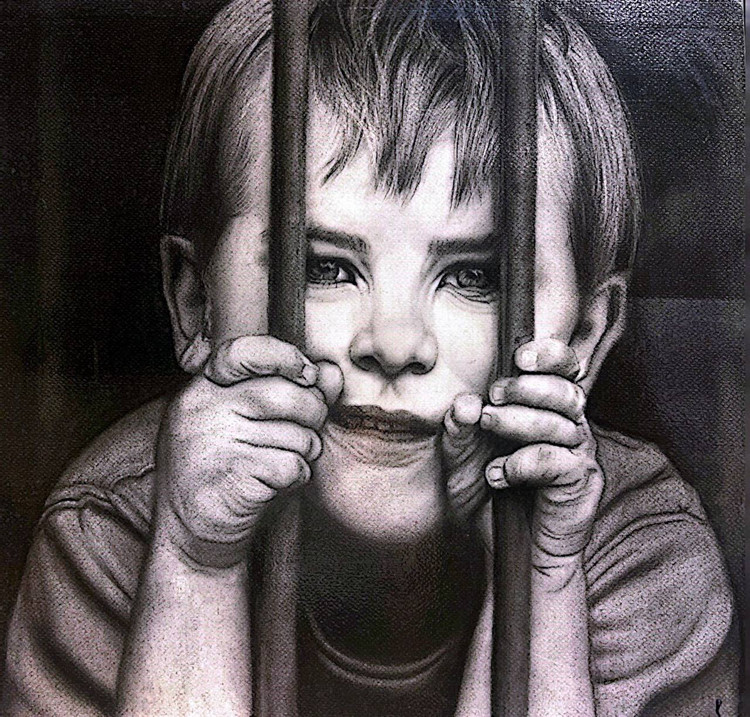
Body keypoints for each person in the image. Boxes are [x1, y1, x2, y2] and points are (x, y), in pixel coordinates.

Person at [1, 1, 734, 715]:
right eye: (324, 267)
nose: (393, 342)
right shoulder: (114, 532)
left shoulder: (643, 552)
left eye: (476, 277)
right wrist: (194, 563)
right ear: (196, 301)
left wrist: (542, 578)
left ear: (584, 337)